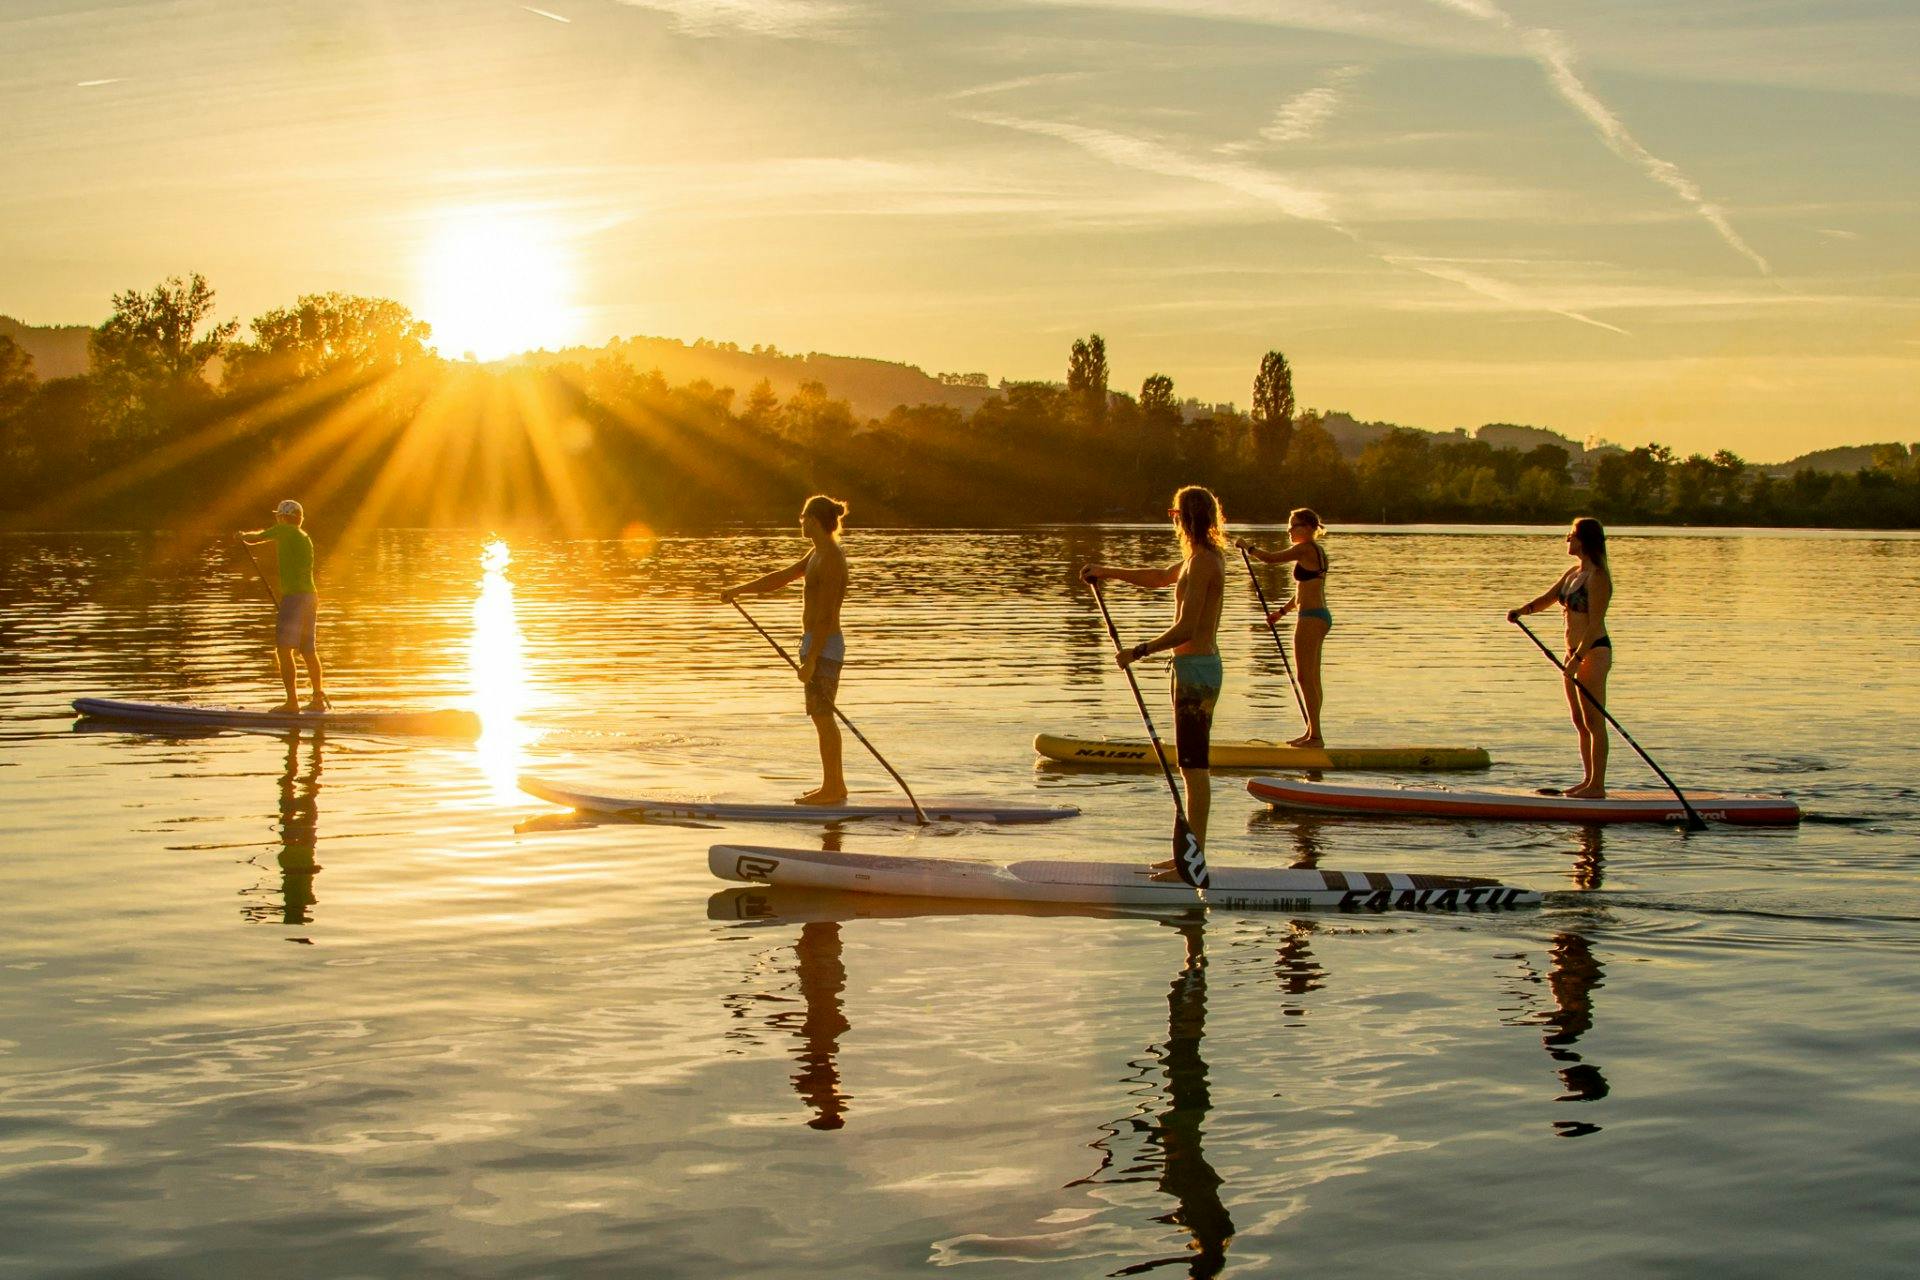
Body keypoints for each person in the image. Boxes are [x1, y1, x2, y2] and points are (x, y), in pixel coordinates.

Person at [1083, 485, 1227, 872]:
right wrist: (1107, 572)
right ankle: (1189, 852)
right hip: (1190, 670)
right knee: (1188, 766)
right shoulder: (1196, 558)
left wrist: (1139, 651)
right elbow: (1159, 576)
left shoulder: (1204, 562)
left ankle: (1195, 857)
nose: (1173, 520)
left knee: (1194, 767)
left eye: (1175, 514)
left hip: (1198, 673)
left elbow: (1187, 628)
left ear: (1186, 518)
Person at [720, 495, 852, 805]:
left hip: (825, 647)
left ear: (815, 521)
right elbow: (780, 578)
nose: (801, 522)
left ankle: (834, 788)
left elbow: (826, 616)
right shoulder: (816, 553)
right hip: (814, 644)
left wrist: (812, 660)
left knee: (823, 716)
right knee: (820, 717)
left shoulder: (832, 558)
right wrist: (739, 590)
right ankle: (833, 785)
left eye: (804, 517)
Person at [1509, 517, 1613, 798]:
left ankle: (1598, 786)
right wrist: (1522, 611)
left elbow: (1594, 625)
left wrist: (1577, 659)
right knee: (1579, 721)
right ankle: (1587, 780)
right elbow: (1548, 598)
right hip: (1572, 654)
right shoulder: (1572, 573)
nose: (1568, 538)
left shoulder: (1598, 577)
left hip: (1593, 651)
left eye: (1572, 534)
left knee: (1594, 721)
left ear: (1584, 540)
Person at [1236, 507, 1331, 747]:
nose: (1289, 531)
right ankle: (1312, 732)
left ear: (1308, 528)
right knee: (1312, 678)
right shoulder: (1316, 552)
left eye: (1293, 526)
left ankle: (1316, 736)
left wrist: (1247, 547)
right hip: (1319, 616)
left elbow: (1270, 559)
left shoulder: (1305, 548)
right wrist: (1281, 613)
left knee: (1305, 677)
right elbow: (1302, 592)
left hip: (1310, 619)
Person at [238, 499, 328, 713]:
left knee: (284, 650)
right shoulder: (304, 537)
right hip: (310, 596)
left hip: (294, 598)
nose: (277, 519)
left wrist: (241, 536)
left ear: (284, 517)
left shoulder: (284, 530)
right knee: (308, 650)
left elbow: (255, 538)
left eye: (278, 516)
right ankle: (317, 699)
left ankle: (292, 703)